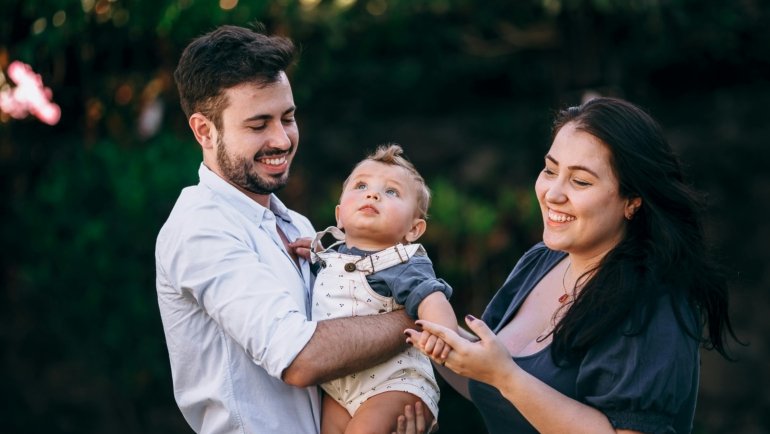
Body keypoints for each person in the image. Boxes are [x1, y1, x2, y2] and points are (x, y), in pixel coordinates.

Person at [399, 97, 740, 434]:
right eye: (550, 170)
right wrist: (418, 311)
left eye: (581, 181)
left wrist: (506, 376)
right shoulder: (541, 260)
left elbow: (501, 377)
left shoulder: (652, 301)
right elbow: (487, 379)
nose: (553, 193)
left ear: (632, 201)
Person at [155, 24, 416, 433]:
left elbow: (344, 335)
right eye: (258, 125)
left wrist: (388, 403)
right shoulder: (199, 228)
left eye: (288, 118)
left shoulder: (296, 224)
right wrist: (419, 321)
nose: (282, 139)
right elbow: (301, 358)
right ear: (204, 130)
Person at [310, 144, 456, 434]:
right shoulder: (326, 257)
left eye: (391, 192)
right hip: (338, 387)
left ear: (413, 230)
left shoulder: (401, 262)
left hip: (393, 384)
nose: (372, 194)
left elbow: (431, 296)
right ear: (339, 216)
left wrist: (443, 335)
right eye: (361, 185)